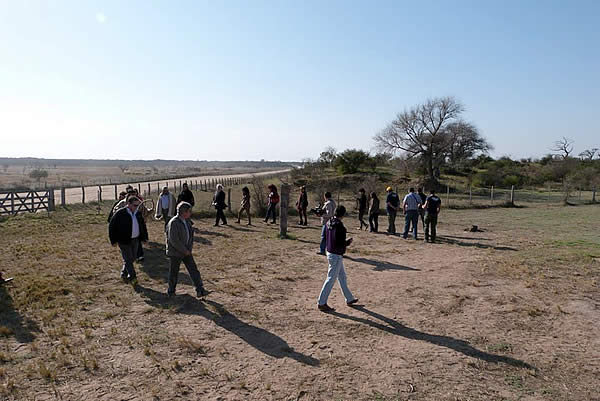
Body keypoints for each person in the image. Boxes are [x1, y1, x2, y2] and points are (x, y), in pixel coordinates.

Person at [317, 205, 359, 312]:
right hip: (336, 254)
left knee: (342, 277)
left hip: (330, 252)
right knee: (331, 278)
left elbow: (325, 237)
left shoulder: (328, 222)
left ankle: (349, 298)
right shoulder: (340, 226)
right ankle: (321, 302)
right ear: (343, 215)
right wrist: (347, 243)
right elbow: (340, 242)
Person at [166, 202, 209, 297]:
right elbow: (174, 240)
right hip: (176, 253)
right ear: (183, 212)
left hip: (187, 251)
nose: (190, 213)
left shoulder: (187, 221)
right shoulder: (174, 222)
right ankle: (171, 291)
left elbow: (190, 236)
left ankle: (200, 290)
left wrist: (188, 249)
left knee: (194, 270)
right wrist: (184, 250)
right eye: (189, 211)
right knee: (174, 272)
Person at [108, 196, 148, 285]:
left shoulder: (138, 213)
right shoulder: (120, 213)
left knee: (132, 258)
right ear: (128, 204)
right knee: (128, 259)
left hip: (135, 240)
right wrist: (113, 241)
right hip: (123, 240)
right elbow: (112, 227)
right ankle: (133, 277)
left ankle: (124, 273)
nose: (136, 207)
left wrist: (144, 238)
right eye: (135, 205)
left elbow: (142, 226)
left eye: (138, 205)